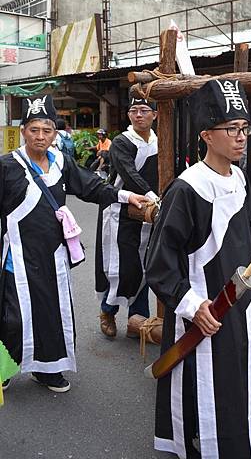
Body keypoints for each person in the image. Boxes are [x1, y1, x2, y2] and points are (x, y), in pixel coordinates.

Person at [146, 79, 251, 459]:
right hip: (205, 306)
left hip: (240, 303)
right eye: (231, 129)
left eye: (244, 128)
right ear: (206, 134)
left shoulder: (237, 177)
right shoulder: (187, 189)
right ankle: (199, 445)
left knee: (236, 377)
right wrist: (191, 306)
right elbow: (158, 262)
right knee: (202, 380)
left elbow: (245, 225)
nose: (241, 137)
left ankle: (234, 444)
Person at [0, 95, 146, 393]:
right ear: (24, 131)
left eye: (47, 130)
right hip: (17, 255)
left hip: (53, 257)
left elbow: (90, 186)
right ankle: (4, 369)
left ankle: (48, 370)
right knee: (13, 317)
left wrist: (126, 196)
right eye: (34, 130)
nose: (40, 136)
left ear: (55, 133)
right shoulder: (7, 166)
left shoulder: (60, 162)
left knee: (52, 314)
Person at [96, 98, 158, 338]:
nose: (138, 115)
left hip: (149, 210)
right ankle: (107, 311)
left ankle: (138, 319)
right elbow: (128, 174)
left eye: (144, 110)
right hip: (120, 209)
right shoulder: (122, 142)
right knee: (121, 266)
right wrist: (153, 196)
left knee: (145, 264)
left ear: (155, 115)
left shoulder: (159, 140)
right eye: (133, 110)